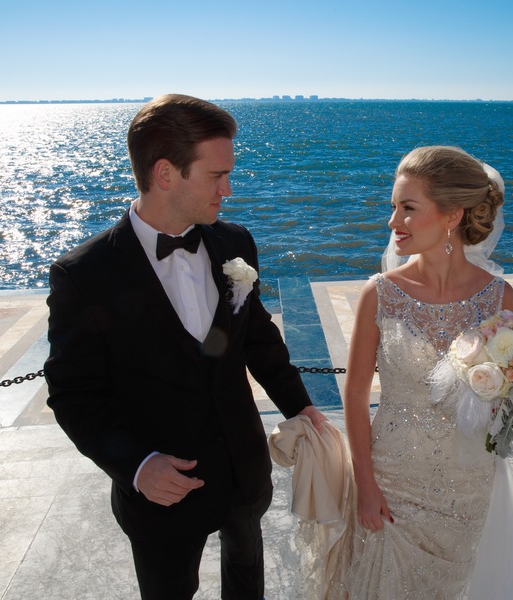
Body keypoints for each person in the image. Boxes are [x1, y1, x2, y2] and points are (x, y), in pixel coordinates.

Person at [44, 93, 326, 600]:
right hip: (161, 491)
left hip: (243, 471)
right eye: (217, 176)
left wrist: (301, 406)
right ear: (166, 174)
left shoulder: (234, 243)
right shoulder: (83, 275)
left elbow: (257, 337)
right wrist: (136, 466)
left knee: (247, 583)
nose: (229, 189)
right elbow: (73, 394)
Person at [322, 146, 513, 599]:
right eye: (393, 207)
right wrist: (366, 485)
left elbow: (501, 396)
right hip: (391, 479)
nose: (392, 222)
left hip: (466, 485)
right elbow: (354, 396)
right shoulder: (381, 293)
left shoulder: (498, 298)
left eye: (407, 209)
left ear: (451, 215)